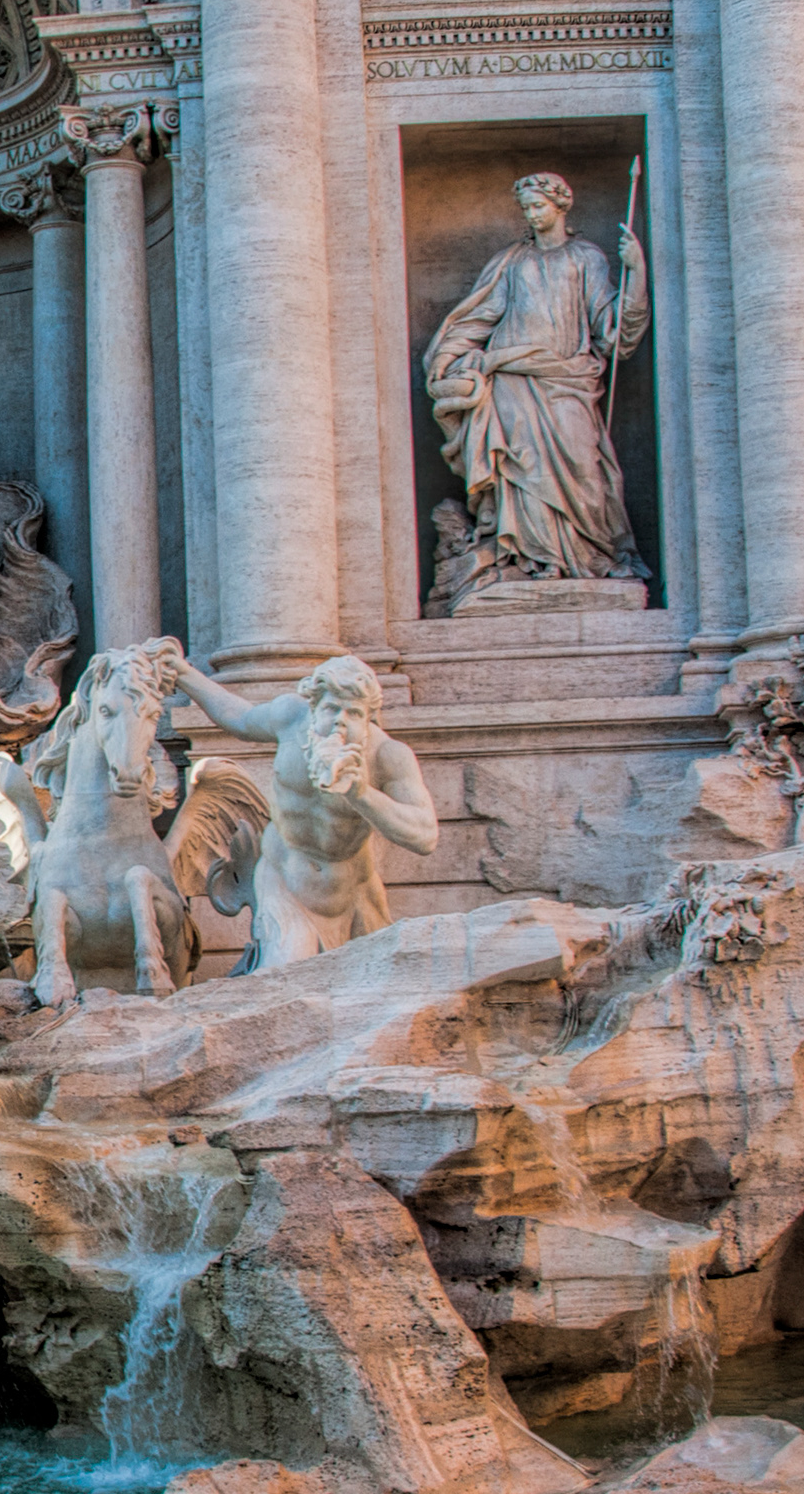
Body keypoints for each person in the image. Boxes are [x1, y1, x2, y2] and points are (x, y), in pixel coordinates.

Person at [424, 173, 650, 596]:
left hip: (567, 378)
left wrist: (635, 271)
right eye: (526, 208)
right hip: (511, 380)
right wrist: (446, 357)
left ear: (560, 206)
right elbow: (480, 318)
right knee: (520, 467)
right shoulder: (512, 261)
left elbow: (613, 328)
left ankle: (589, 558)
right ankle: (531, 559)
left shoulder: (587, 257)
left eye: (538, 206)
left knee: (584, 466)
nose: (531, 214)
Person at [151, 646, 437, 970]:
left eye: (354, 714)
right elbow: (239, 717)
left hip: (353, 894)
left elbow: (425, 835)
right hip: (284, 881)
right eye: (332, 709)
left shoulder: (387, 756)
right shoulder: (290, 718)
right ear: (314, 706)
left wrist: (362, 794)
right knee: (284, 978)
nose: (340, 723)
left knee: (376, 990)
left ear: (369, 718)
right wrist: (185, 675)